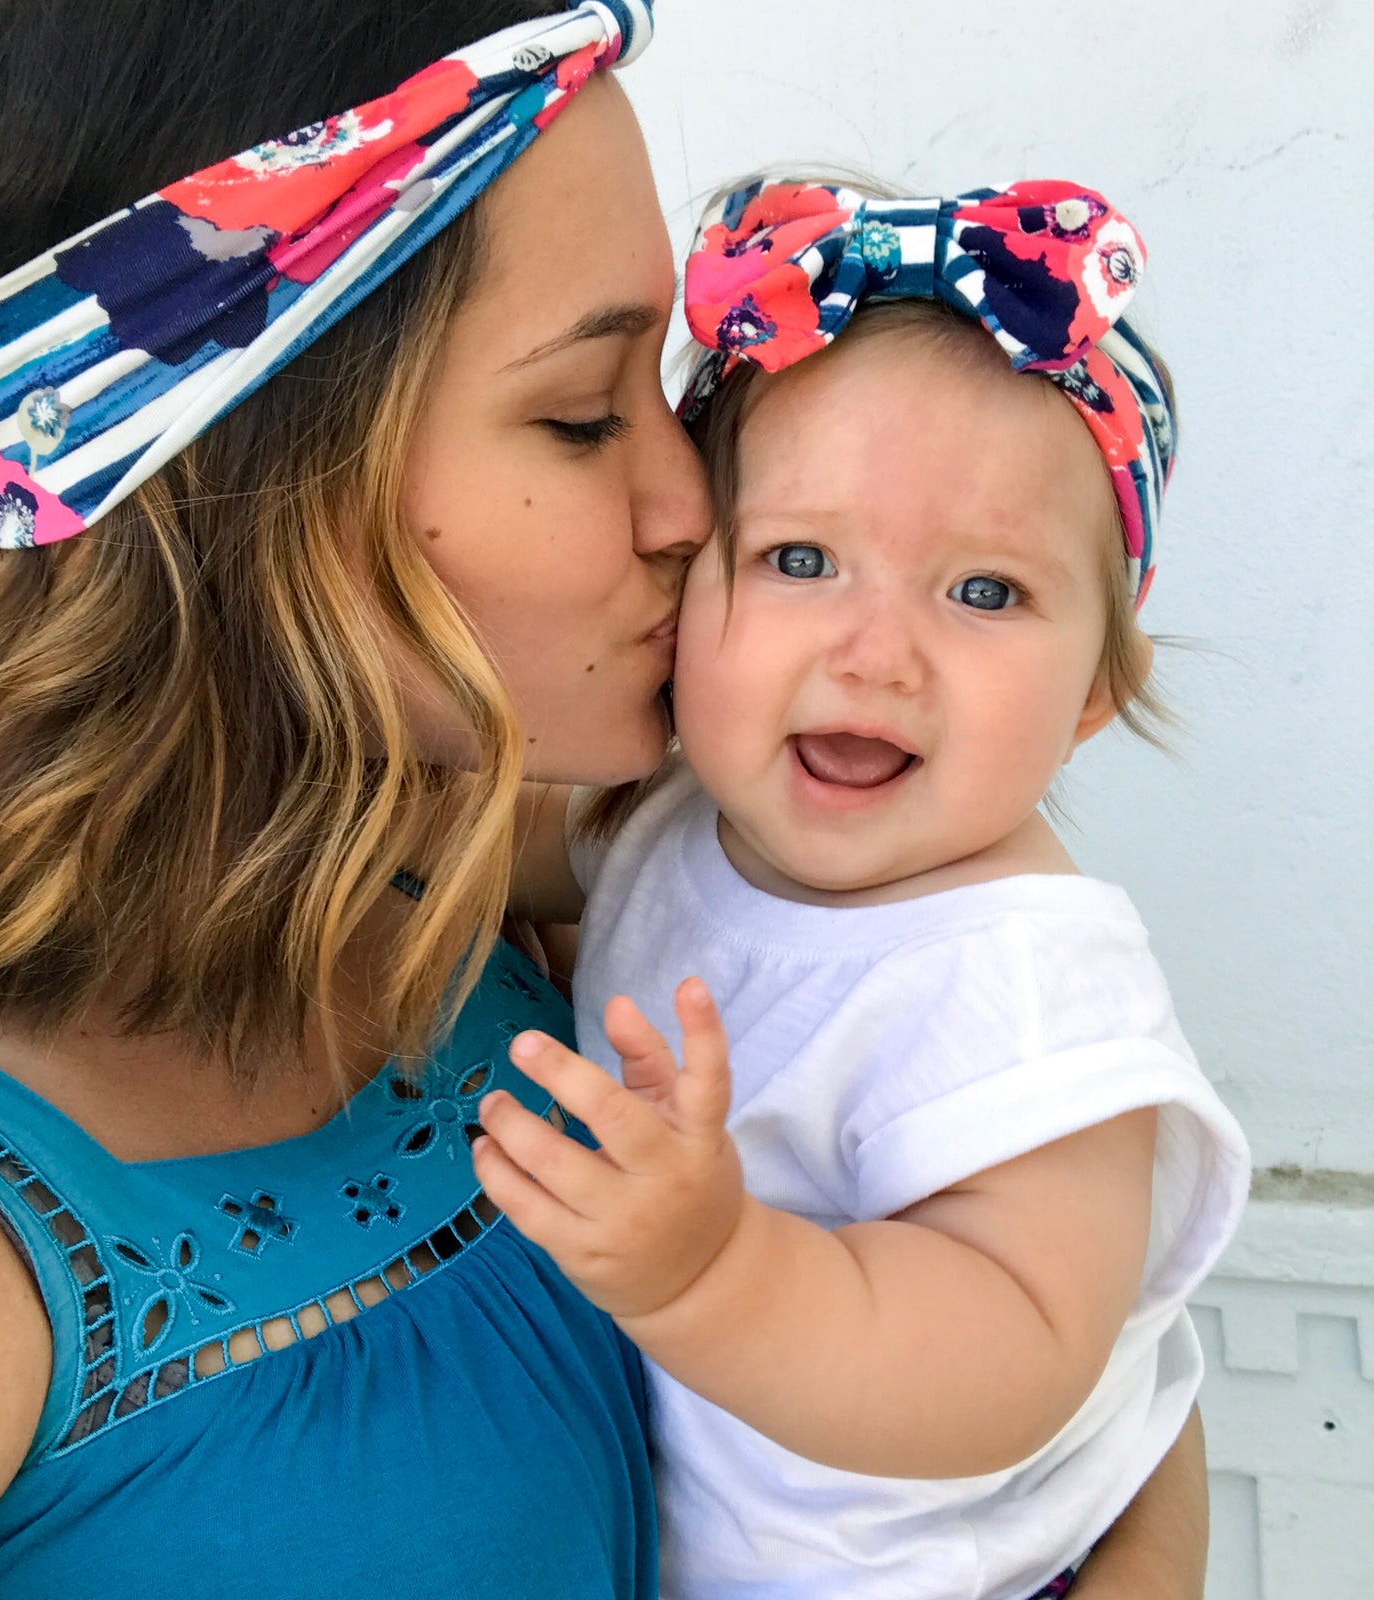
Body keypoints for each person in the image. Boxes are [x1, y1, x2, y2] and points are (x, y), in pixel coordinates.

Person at [0, 0, 1208, 1590]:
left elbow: (1072, 1315)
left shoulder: (450, 829)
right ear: (251, 466)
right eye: (586, 414)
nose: (696, 507)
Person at [475, 179, 1250, 1599]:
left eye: (985, 594)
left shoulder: (1025, 980)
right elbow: (487, 850)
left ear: (1093, 697)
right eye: (800, 560)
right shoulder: (680, 816)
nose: (875, 653)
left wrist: (717, 1276)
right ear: (683, 598)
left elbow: (1016, 1348)